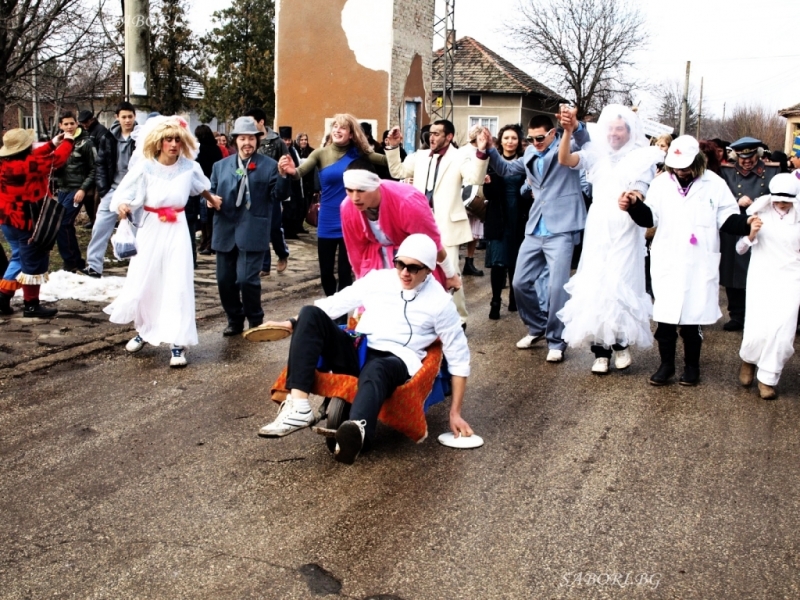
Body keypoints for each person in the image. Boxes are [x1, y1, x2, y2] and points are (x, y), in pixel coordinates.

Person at [257, 234, 473, 464]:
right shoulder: (379, 279)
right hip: (360, 346)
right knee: (311, 314)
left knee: (376, 369)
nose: (404, 273)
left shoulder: (440, 302)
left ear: (428, 270)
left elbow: (458, 357)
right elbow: (334, 304)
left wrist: (455, 413)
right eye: (400, 264)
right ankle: (299, 407)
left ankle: (356, 430)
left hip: (398, 358)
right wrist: (290, 323)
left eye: (413, 268)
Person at [620, 135, 754, 386]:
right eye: (677, 166)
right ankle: (666, 366)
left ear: (699, 161)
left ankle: (692, 367)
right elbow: (649, 219)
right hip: (668, 260)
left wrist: (746, 224)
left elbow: (727, 218)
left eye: (686, 166)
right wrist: (633, 206)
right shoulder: (661, 184)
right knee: (666, 320)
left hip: (699, 261)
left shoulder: (714, 183)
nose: (681, 171)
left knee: (693, 322)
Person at [555, 105, 664, 374]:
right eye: (611, 128)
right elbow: (565, 160)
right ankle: (600, 352)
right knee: (597, 283)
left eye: (621, 128)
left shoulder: (642, 157)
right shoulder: (596, 153)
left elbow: (641, 190)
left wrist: (631, 198)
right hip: (599, 226)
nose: (615, 133)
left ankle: (621, 342)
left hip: (626, 228)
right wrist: (568, 132)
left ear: (630, 131)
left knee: (621, 284)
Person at [106, 116, 218, 368]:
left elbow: (199, 186)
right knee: (147, 280)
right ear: (158, 142)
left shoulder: (189, 167)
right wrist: (123, 206)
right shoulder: (144, 168)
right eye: (168, 139)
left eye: (177, 139)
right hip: (151, 228)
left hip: (177, 228)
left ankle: (177, 344)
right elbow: (122, 194)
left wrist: (212, 198)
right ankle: (145, 330)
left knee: (177, 283)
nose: (173, 144)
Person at [486, 113, 591, 363]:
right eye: (531, 139)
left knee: (557, 288)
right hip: (535, 228)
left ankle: (557, 340)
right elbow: (507, 168)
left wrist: (573, 124)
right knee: (520, 283)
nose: (535, 143)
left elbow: (583, 138)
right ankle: (537, 328)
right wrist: (490, 149)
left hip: (562, 229)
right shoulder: (531, 153)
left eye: (540, 138)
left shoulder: (568, 145)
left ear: (552, 134)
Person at [384, 119, 492, 326]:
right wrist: (394, 146)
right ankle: (421, 317)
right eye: (430, 133)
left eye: (436, 134)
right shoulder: (421, 156)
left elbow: (474, 178)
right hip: (420, 224)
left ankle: (459, 318)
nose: (431, 137)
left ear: (449, 137)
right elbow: (398, 171)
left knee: (450, 271)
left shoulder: (460, 156)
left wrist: (481, 151)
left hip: (448, 224)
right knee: (417, 270)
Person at [278, 113, 395, 296]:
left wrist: (393, 146)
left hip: (351, 220)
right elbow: (299, 172)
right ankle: (333, 307)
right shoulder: (320, 154)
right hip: (326, 220)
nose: (337, 130)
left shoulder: (359, 153)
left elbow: (389, 162)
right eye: (335, 127)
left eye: (342, 127)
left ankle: (341, 318)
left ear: (351, 134)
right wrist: (290, 170)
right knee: (325, 273)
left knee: (344, 273)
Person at [208, 116, 290, 336]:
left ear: (257, 141)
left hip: (253, 230)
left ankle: (255, 319)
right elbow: (210, 191)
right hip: (225, 230)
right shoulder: (220, 166)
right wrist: (209, 200)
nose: (247, 143)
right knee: (225, 281)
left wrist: (283, 176)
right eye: (242, 138)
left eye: (251, 139)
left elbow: (280, 195)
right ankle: (234, 319)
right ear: (235, 140)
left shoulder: (270, 166)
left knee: (246, 280)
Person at [339, 158, 461, 291]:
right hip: (376, 263)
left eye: (361, 190)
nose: (355, 198)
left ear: (374, 185)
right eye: (349, 190)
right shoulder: (347, 207)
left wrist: (450, 274)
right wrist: (360, 281)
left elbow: (432, 243)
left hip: (411, 261)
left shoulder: (408, 201)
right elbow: (355, 250)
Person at [736, 174, 800, 399]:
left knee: (783, 331)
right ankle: (749, 360)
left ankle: (768, 378)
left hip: (792, 278)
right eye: (778, 199)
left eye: (787, 200)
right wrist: (751, 234)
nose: (782, 203)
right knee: (759, 327)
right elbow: (740, 249)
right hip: (762, 276)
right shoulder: (758, 214)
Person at [0, 129, 74, 316]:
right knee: (34, 261)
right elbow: (56, 160)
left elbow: (35, 158)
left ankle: (2, 299)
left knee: (18, 257)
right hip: (26, 222)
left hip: (7, 220)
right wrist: (68, 142)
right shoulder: (30, 165)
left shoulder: (5, 164)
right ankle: (31, 305)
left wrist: (50, 144)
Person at [719, 137, 780, 331]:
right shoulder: (726, 173)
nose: (746, 161)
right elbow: (720, 196)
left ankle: (757, 314)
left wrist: (759, 202)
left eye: (750, 156)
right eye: (742, 157)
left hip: (761, 226)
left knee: (758, 270)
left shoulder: (773, 171)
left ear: (758, 154)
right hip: (734, 225)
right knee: (732, 272)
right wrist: (737, 200)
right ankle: (737, 315)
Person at [82, 101, 139, 278]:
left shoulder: (141, 137)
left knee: (137, 227)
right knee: (100, 226)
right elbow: (100, 163)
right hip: (113, 188)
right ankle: (94, 265)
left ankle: (137, 267)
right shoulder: (109, 137)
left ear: (134, 117)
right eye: (124, 117)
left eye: (130, 116)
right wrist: (103, 189)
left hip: (135, 190)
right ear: (117, 118)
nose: (127, 120)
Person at [482, 123, 529, 320]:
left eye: (514, 138)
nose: (510, 141)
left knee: (516, 260)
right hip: (498, 215)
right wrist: (487, 184)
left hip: (519, 215)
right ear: (500, 141)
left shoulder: (525, 162)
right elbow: (488, 194)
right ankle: (495, 301)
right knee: (499, 261)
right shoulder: (491, 161)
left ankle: (514, 298)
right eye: (506, 138)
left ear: (519, 142)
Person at [244, 108, 290, 276]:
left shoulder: (277, 142)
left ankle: (282, 253)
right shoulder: (251, 141)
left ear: (261, 121)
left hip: (273, 190)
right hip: (255, 191)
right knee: (260, 227)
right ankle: (264, 265)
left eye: (252, 121)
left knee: (274, 228)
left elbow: (287, 165)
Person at [54, 111, 96, 272]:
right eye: (66, 124)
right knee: (63, 225)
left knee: (63, 223)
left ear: (77, 123)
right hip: (63, 189)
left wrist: (83, 189)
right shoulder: (60, 142)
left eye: (72, 123)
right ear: (60, 126)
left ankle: (70, 262)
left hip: (77, 189)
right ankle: (75, 260)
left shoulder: (86, 143)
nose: (69, 127)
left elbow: (94, 169)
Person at [188, 124, 224, 267]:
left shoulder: (199, 150)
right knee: (208, 216)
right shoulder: (216, 149)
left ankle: (205, 243)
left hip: (201, 184)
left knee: (203, 217)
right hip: (211, 182)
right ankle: (208, 243)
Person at [77, 109, 109, 229]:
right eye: (82, 123)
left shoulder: (101, 131)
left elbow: (104, 152)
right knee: (88, 197)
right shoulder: (86, 131)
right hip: (89, 169)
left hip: (99, 169)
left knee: (96, 198)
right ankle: (92, 219)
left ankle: (98, 221)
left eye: (86, 122)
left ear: (92, 119)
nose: (84, 125)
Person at [278, 126, 305, 238]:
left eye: (289, 140)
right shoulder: (279, 150)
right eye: (285, 140)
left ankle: (292, 230)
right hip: (284, 183)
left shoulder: (293, 150)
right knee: (285, 209)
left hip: (294, 184)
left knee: (294, 208)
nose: (287, 142)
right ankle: (285, 231)